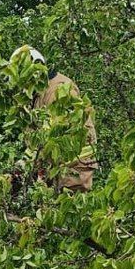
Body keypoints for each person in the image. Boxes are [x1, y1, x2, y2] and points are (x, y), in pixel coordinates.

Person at [12, 46, 97, 193]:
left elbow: (52, 134)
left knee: (69, 209)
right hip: (56, 162)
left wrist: (30, 166)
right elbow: (36, 139)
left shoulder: (58, 90)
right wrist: (22, 166)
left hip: (74, 163)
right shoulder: (39, 91)